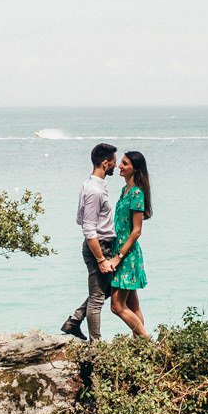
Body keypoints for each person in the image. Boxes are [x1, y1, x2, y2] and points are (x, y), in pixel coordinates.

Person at [62, 143, 119, 341]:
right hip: (99, 246)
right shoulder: (95, 191)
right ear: (105, 163)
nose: (116, 165)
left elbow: (80, 218)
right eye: (113, 162)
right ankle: (96, 345)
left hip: (103, 244)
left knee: (109, 289)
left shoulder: (90, 185)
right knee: (97, 299)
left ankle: (74, 320)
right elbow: (88, 228)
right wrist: (101, 259)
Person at [107, 150, 151, 338]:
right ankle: (139, 347)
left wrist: (118, 257)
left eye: (125, 163)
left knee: (117, 307)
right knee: (133, 306)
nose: (120, 166)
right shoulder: (125, 191)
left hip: (127, 255)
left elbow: (136, 231)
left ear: (135, 168)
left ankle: (148, 343)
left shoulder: (136, 193)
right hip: (121, 249)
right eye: (121, 163)